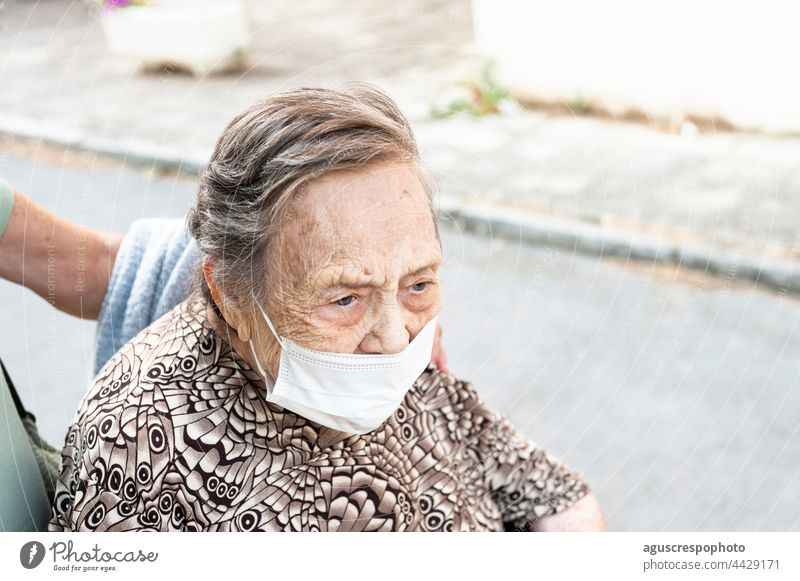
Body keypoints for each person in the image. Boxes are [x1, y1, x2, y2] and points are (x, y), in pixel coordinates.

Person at [44, 84, 606, 532]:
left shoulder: (409, 349)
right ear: (230, 292)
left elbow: (553, 492)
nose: (394, 338)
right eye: (344, 299)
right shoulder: (142, 452)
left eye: (418, 284)